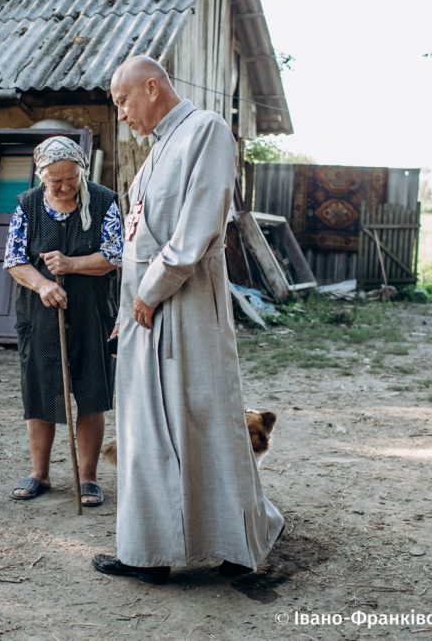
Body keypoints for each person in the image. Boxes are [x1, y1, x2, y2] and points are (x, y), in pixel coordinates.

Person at [92, 56, 284, 584]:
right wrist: (129, 313)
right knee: (146, 430)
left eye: (124, 100)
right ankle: (148, 553)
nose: (123, 113)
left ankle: (240, 544)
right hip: (146, 312)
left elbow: (198, 227)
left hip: (186, 306)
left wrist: (150, 293)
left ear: (151, 88)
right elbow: (140, 238)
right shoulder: (157, 150)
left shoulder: (206, 131)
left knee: (208, 424)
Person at [4, 136, 122, 507]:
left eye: (71, 177)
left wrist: (71, 265)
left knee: (91, 393)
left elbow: (115, 255)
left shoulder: (104, 201)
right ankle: (39, 473)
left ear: (81, 171)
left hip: (92, 312)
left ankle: (87, 479)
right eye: (56, 180)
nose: (65, 186)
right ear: (42, 177)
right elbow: (14, 260)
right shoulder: (28, 205)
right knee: (42, 392)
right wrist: (41, 284)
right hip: (41, 315)